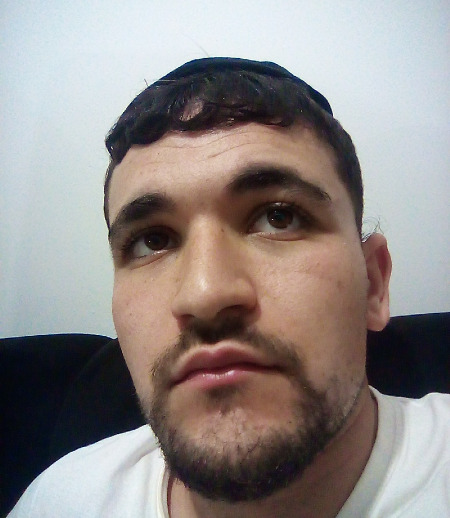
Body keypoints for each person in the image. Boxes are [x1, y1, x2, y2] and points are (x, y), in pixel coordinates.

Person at [8, 58, 449, 517]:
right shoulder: (60, 500)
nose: (204, 294)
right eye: (152, 241)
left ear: (373, 285)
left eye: (278, 218)